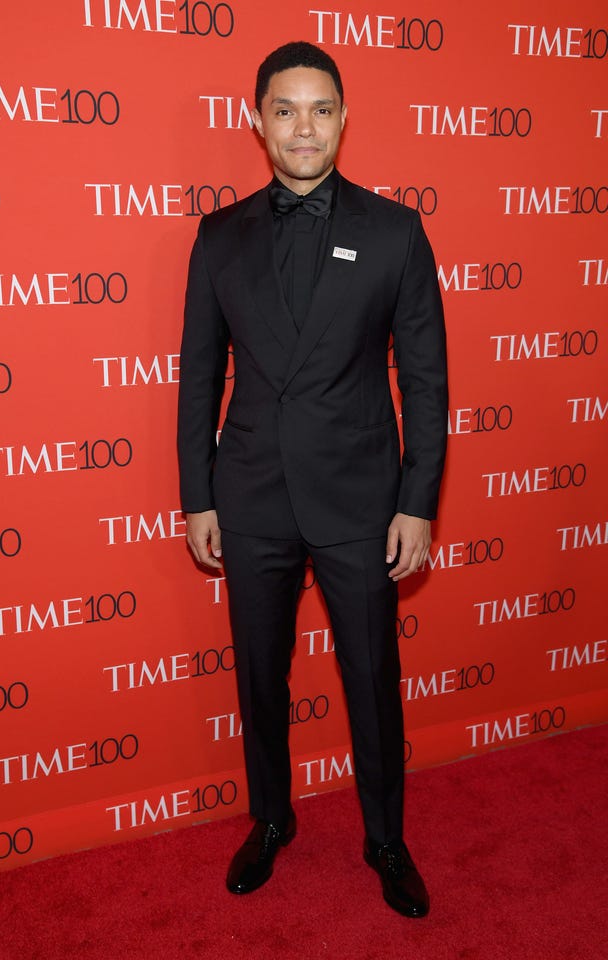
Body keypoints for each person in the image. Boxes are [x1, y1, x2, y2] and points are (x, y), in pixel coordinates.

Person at [177, 40, 448, 919]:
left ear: (343, 118)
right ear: (257, 122)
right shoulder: (218, 237)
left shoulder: (396, 231)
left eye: (320, 109)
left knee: (372, 677)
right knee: (261, 676)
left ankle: (386, 838)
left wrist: (417, 503)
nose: (304, 127)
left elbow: (427, 381)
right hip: (251, 492)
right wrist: (198, 495)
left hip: (360, 498)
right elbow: (198, 377)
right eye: (285, 110)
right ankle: (270, 820)